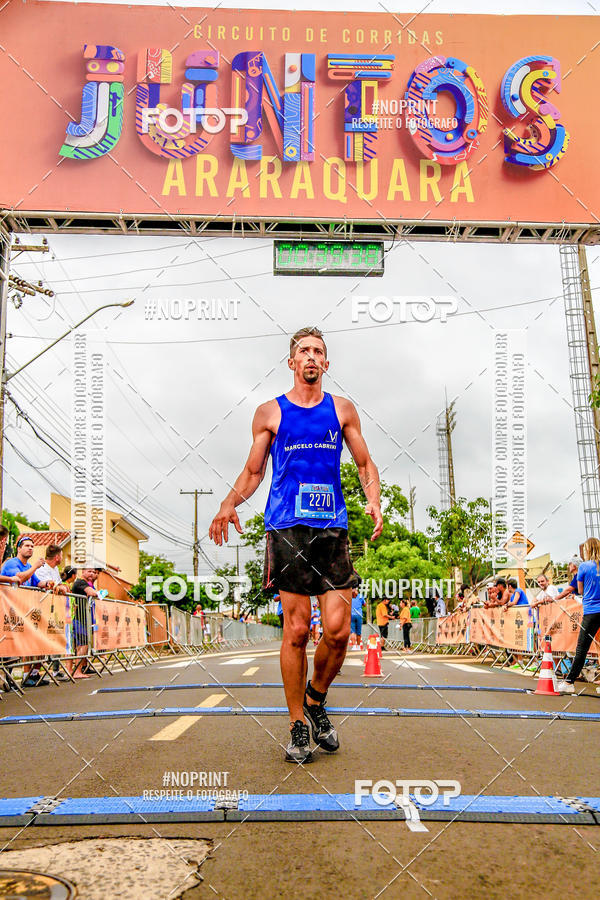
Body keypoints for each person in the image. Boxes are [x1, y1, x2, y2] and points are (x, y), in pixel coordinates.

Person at [209, 326, 382, 763]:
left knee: (340, 630)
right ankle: (296, 725)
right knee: (298, 629)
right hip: (287, 527)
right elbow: (253, 471)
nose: (310, 357)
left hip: (332, 529)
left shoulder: (342, 410)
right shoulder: (271, 412)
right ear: (291, 362)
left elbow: (364, 463)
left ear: (326, 363)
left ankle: (316, 699)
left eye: (318, 352)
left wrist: (374, 502)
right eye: (303, 351)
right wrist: (229, 503)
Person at [558, 538, 600, 693]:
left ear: (588, 550)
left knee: (582, 647)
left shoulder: (584, 567)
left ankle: (569, 682)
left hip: (591, 611)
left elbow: (580, 591)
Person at [69, 566, 100, 678]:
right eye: (89, 571)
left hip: (85, 618)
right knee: (82, 645)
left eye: (93, 572)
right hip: (79, 618)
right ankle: (76, 671)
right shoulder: (80, 582)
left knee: (84, 644)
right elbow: (92, 593)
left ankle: (81, 668)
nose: (92, 574)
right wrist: (96, 593)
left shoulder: (84, 583)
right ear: (83, 571)